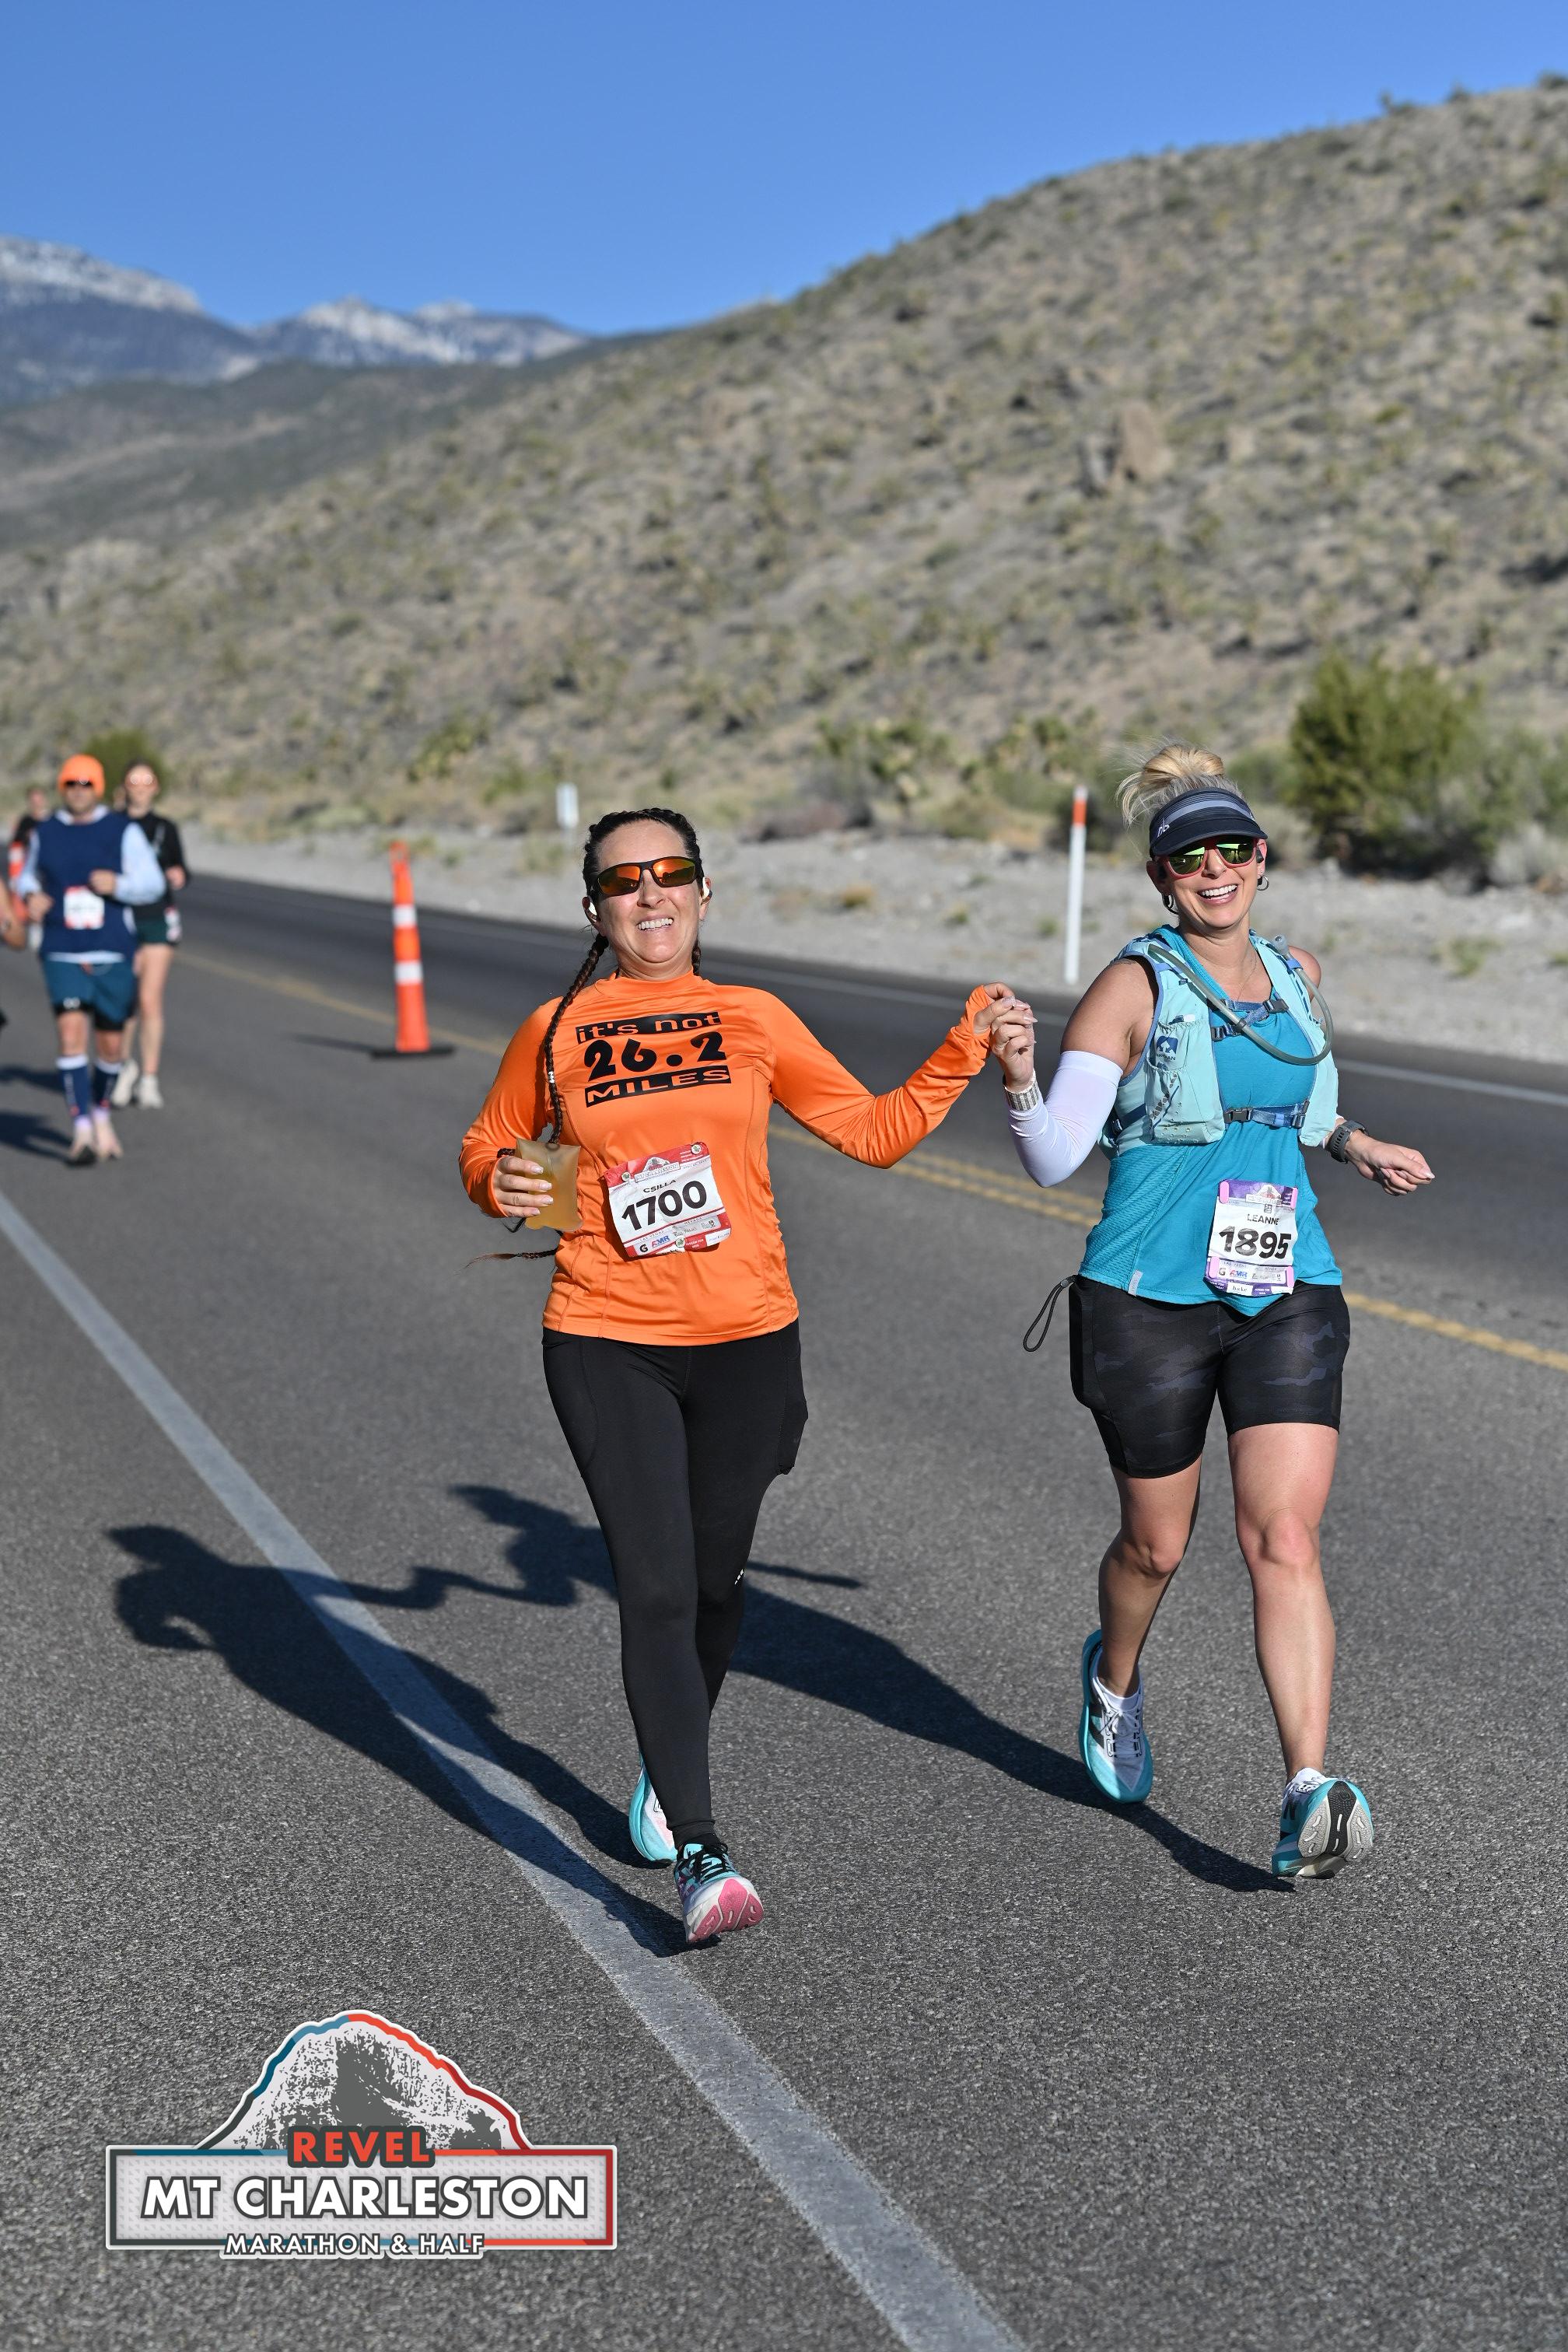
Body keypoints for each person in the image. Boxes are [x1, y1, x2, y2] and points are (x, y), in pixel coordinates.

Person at [460, 806, 1030, 1942]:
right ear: (595, 909)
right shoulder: (558, 1028)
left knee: (716, 1586)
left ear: (704, 892)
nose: (650, 893)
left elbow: (871, 1132)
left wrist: (963, 1048)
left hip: (749, 1343)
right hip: (607, 1336)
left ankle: (667, 1757)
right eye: (624, 880)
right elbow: (489, 1145)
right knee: (657, 1590)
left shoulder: (752, 1018)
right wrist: (501, 1183)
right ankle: (702, 1850)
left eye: (670, 872)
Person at [986, 744, 1432, 1880]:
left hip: (1285, 1284)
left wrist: (1355, 1143)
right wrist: (1020, 1075)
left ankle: (1305, 1789)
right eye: (1190, 858)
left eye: (1233, 849)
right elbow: (1054, 1157)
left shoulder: (1296, 974)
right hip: (1148, 1299)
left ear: (1263, 859)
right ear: (1161, 877)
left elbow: (1301, 1100)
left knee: (1284, 1536)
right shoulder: (1131, 989)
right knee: (1158, 1545)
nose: (1215, 870)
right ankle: (1113, 1681)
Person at [18, 755, 166, 1165]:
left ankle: (101, 1114)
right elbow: (26, 875)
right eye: (71, 784)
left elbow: (152, 883)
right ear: (61, 788)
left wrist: (119, 884)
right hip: (62, 947)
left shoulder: (121, 830)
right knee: (70, 1036)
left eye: (86, 783)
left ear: (97, 787)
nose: (78, 791)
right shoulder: (46, 831)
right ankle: (81, 1129)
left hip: (111, 947)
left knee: (111, 1046)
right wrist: (31, 895)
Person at [110, 760, 187, 1109]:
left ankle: (150, 1078)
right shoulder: (112, 825)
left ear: (155, 787)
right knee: (123, 998)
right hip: (121, 916)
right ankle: (123, 1066)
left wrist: (178, 874)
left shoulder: (165, 828)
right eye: (134, 781)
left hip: (156, 918)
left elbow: (182, 868)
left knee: (149, 999)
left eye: (147, 781)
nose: (140, 788)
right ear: (124, 786)